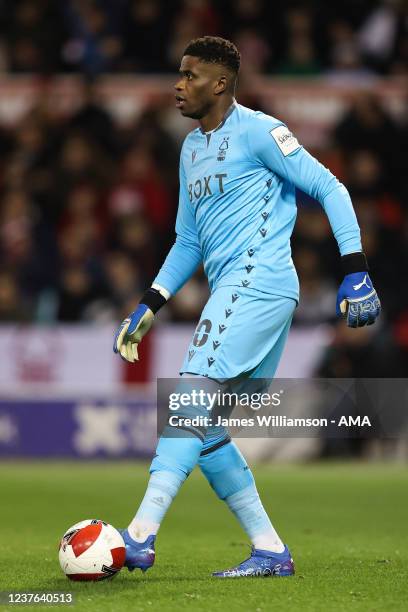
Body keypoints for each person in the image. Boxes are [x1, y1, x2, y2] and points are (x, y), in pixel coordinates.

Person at [113, 36, 380, 578]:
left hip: (257, 283)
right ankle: (270, 550)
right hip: (238, 291)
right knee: (207, 429)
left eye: (190, 75)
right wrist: (150, 303)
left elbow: (329, 186)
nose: (178, 84)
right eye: (178, 74)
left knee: (187, 402)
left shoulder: (260, 131)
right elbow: (187, 239)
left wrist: (355, 269)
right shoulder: (191, 149)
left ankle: (138, 535)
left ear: (221, 82)